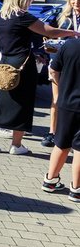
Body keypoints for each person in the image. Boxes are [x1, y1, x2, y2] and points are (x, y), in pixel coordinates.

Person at [0, 0, 80, 154]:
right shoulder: (22, 16)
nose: (32, 0)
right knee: (23, 103)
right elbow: (48, 31)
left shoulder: (0, 15)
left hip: (5, 63)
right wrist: (72, 33)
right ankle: (16, 144)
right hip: (22, 64)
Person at [42, 0, 80, 148]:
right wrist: (50, 43)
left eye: (79, 0)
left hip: (77, 65)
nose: (76, 2)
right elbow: (46, 33)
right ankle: (52, 132)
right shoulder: (61, 16)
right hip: (59, 64)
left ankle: (73, 135)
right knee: (57, 99)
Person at [44, 33, 80, 201]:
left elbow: (53, 69)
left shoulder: (69, 45)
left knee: (61, 142)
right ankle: (76, 188)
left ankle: (50, 179)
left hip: (66, 102)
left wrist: (59, 89)